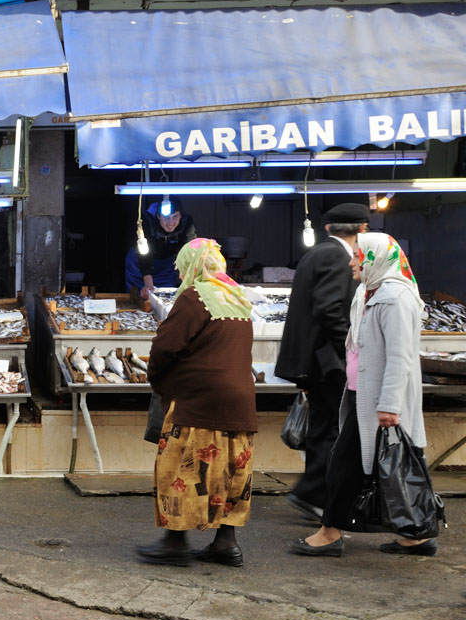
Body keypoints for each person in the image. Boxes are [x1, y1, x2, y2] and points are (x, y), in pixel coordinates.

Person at [289, 233, 432, 558]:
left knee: (346, 466)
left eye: (358, 257)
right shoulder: (369, 292)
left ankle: (329, 533)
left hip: (380, 402)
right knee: (391, 465)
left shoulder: (394, 299)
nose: (352, 263)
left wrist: (390, 406)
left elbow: (400, 357)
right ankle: (417, 535)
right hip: (361, 397)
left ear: (377, 260)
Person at [137, 238, 257, 567]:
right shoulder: (238, 296)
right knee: (231, 470)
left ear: (193, 265)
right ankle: (226, 543)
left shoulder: (194, 297)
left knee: (179, 468)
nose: (179, 276)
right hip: (240, 401)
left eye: (181, 268)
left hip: (198, 401)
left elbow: (165, 347)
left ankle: (176, 541)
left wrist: (160, 384)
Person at [275, 203, 370, 522]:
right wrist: (353, 344)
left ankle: (314, 493)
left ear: (328, 228)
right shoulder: (335, 256)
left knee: (323, 426)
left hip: (314, 359)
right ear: (363, 230)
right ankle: (313, 493)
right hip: (326, 361)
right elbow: (329, 308)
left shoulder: (317, 252)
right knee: (330, 427)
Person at [125, 199, 199, 299]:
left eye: (175, 217)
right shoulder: (146, 221)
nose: (171, 222)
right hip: (140, 263)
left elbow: (190, 251)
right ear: (158, 216)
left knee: (165, 298)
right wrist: (148, 284)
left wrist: (190, 279)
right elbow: (144, 255)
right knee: (139, 297)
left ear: (181, 215)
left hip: (166, 266)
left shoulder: (186, 223)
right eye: (166, 217)